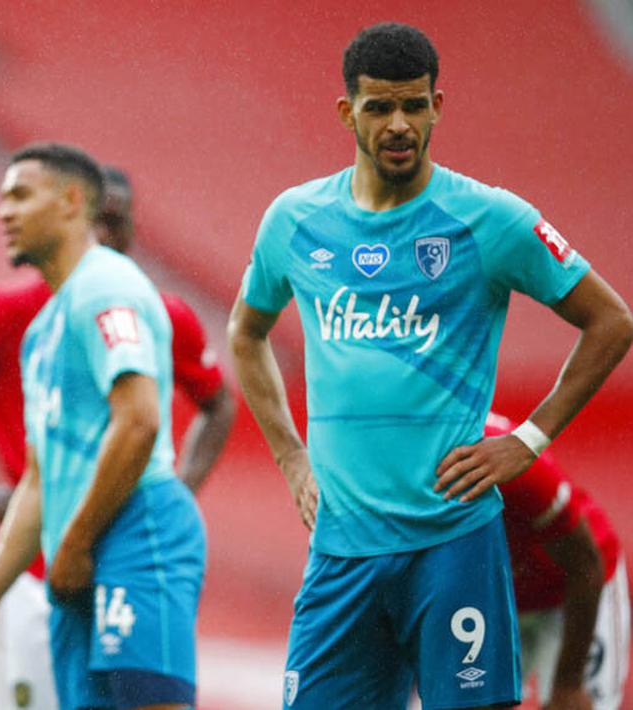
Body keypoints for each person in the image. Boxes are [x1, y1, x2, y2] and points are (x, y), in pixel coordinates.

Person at [227, 21, 633, 709]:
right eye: (379, 106)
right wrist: (292, 458)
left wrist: (526, 441)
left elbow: (611, 321)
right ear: (345, 111)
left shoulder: (490, 219)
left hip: (452, 544)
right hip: (341, 553)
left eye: (414, 105)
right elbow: (245, 333)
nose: (398, 124)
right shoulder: (295, 220)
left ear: (436, 106)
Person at [0, 165, 231, 710]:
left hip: (126, 534)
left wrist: (167, 492)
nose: (4, 213)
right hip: (49, 559)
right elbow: (42, 477)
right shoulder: (40, 332)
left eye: (21, 198)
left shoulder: (114, 292)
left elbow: (142, 421)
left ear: (73, 209)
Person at [487, 413, 629, 710]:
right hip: (500, 604)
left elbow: (585, 563)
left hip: (572, 594)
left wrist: (568, 683)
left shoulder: (503, 454)